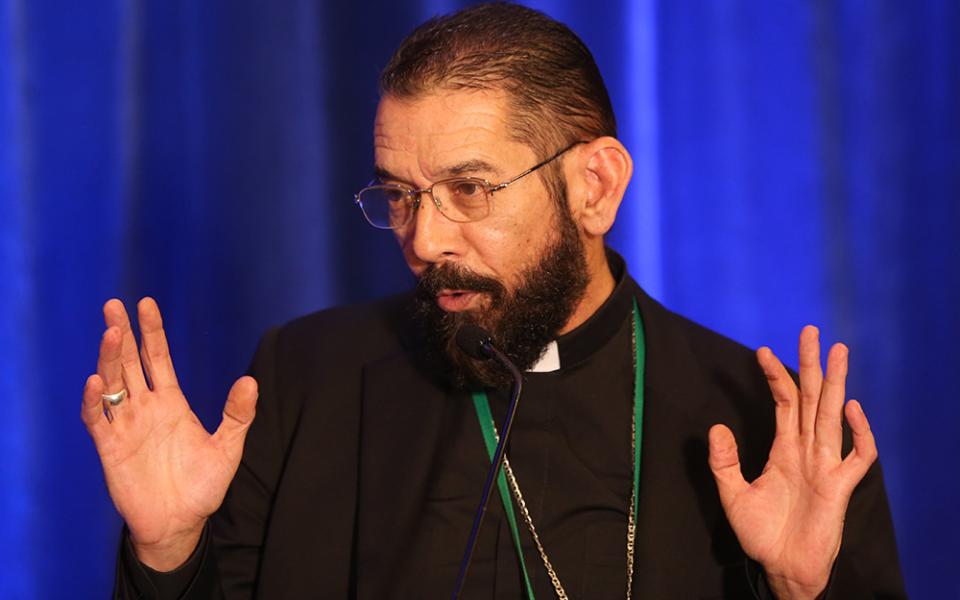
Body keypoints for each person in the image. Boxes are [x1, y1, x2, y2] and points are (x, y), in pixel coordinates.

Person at [83, 4, 905, 599]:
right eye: (400, 195)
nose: (426, 239)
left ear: (595, 185)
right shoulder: (301, 383)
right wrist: (168, 552)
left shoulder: (768, 425)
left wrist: (803, 594)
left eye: (469, 189)